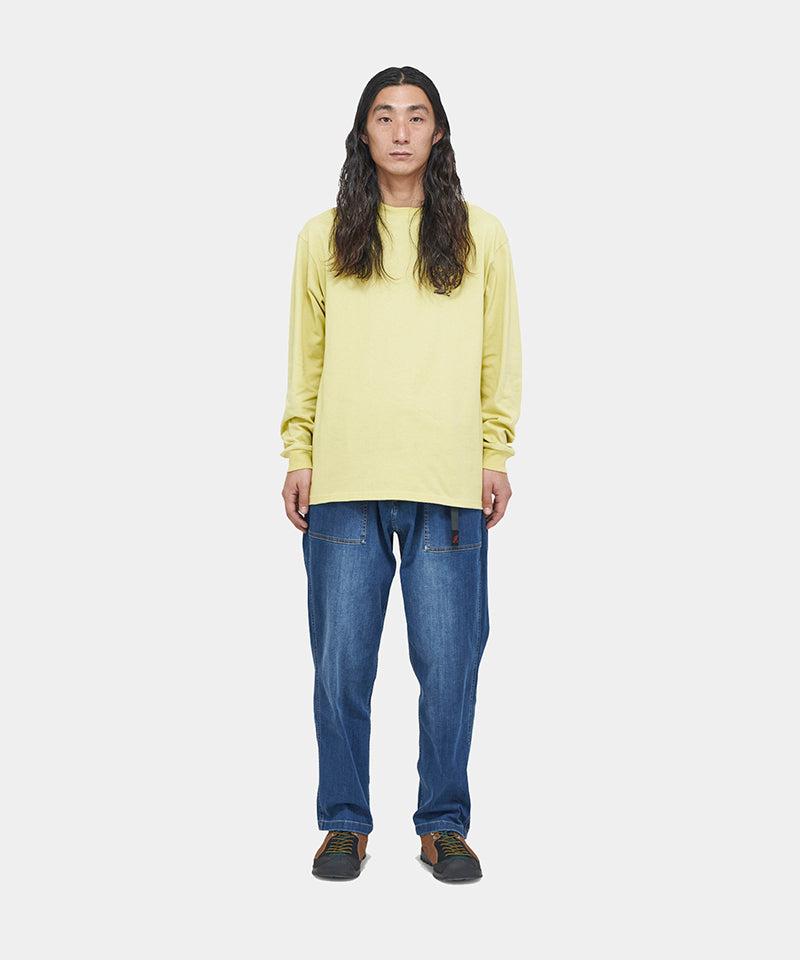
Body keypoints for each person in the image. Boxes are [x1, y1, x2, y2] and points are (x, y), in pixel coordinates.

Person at [279, 66, 523, 883]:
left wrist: (494, 453)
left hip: (448, 481)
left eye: (416, 117)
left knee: (451, 667)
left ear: (438, 131)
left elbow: (499, 352)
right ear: (364, 132)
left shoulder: (480, 236)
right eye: (384, 117)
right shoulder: (323, 237)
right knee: (340, 666)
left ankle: (442, 824)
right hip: (345, 479)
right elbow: (306, 356)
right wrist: (299, 453)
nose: (400, 131)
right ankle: (344, 822)